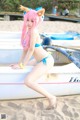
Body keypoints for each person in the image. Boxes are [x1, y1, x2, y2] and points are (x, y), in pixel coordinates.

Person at [11, 5, 57, 109]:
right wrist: (19, 63)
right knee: (22, 68)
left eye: (32, 21)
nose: (29, 23)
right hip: (38, 59)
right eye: (28, 20)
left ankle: (51, 97)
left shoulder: (33, 31)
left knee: (28, 81)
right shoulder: (27, 31)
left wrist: (22, 65)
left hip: (46, 60)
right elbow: (25, 50)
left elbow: (31, 50)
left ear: (36, 21)